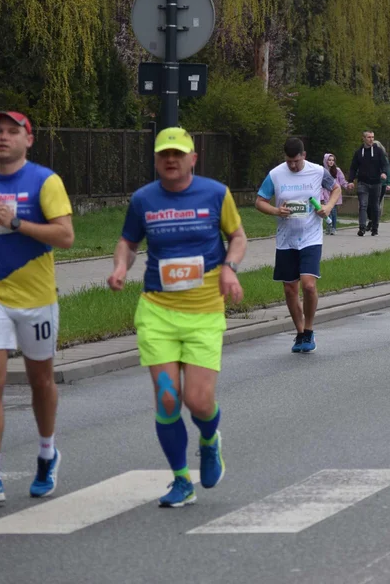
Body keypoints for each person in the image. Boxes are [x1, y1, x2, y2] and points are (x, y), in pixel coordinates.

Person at [108, 126, 246, 508]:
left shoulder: (216, 194)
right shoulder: (143, 200)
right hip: (158, 311)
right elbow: (128, 243)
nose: (171, 160)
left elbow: (237, 236)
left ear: (192, 158)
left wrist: (229, 267)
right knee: (169, 399)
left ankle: (209, 440)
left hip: (204, 313)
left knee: (198, 402)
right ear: (156, 160)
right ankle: (182, 480)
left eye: (178, 153)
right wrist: (121, 267)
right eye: (164, 154)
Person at [0, 111, 74, 508]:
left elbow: (66, 236)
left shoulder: (45, 181)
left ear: (29, 139)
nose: (3, 137)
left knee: (41, 382)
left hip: (37, 297)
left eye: (12, 132)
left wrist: (19, 222)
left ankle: (46, 454)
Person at [256, 137, 340, 352]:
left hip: (311, 236)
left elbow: (336, 188)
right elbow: (259, 201)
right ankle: (300, 333)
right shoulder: (276, 174)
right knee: (290, 288)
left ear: (303, 155)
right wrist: (276, 211)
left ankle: (310, 329)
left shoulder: (317, 171)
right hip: (286, 239)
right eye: (289, 161)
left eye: (296, 161)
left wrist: (328, 207)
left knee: (308, 285)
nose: (293, 165)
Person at [348, 130, 388, 236]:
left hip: (376, 183)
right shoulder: (358, 153)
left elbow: (384, 164)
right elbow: (353, 168)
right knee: (363, 205)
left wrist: (384, 173)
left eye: (372, 137)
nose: (371, 139)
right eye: (369, 137)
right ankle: (362, 227)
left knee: (375, 205)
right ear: (364, 138)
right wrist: (351, 180)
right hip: (363, 183)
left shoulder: (378, 151)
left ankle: (375, 227)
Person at [321, 153, 347, 235]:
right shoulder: (322, 171)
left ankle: (333, 228)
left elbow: (342, 180)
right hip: (326, 193)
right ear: (326, 161)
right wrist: (321, 196)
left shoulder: (337, 170)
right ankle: (329, 226)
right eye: (329, 160)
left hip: (334, 193)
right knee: (327, 211)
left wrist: (347, 185)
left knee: (334, 211)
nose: (331, 162)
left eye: (333, 160)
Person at [373, 139, 390, 225]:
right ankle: (372, 220)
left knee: (377, 202)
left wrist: (388, 182)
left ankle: (374, 222)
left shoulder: (384, 159)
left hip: (381, 183)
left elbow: (388, 170)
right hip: (371, 182)